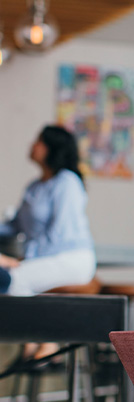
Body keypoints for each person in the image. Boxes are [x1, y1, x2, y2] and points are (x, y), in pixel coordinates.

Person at [0, 125, 95, 359]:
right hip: (45, 258)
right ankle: (35, 341)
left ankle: (43, 340)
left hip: (71, 259)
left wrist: (23, 261)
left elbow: (58, 235)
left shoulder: (67, 183)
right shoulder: (34, 187)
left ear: (52, 148)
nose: (33, 145)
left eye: (39, 141)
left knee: (11, 280)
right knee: (10, 280)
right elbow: (15, 227)